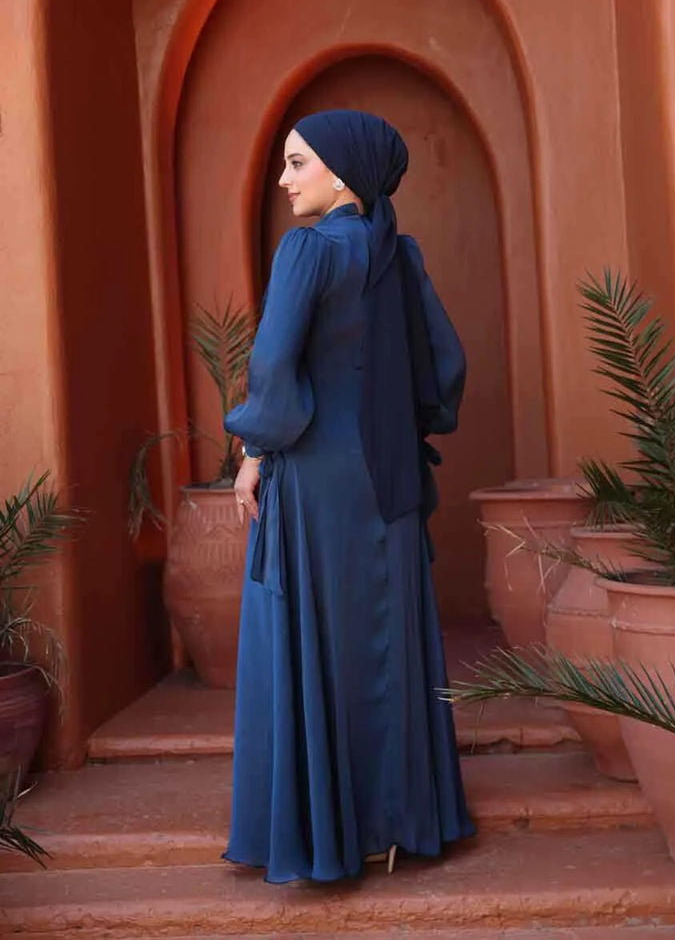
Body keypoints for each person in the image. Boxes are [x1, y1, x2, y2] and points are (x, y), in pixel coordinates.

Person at [223, 109, 475, 884]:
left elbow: (274, 363)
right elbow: (446, 368)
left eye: (298, 164)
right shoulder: (398, 255)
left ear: (339, 173)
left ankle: (331, 832)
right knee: (387, 644)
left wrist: (255, 447)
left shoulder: (306, 251)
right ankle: (399, 825)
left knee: (319, 641)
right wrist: (403, 428)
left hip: (319, 478)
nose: (284, 179)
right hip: (391, 479)